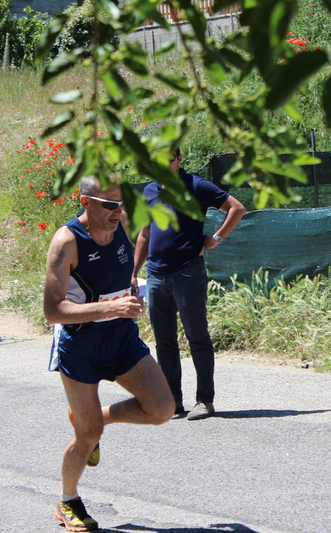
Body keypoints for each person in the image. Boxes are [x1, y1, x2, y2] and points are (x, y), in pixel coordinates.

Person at [44, 176, 175, 532]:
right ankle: (67, 500)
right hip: (81, 346)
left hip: (121, 339)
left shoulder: (125, 224)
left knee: (163, 409)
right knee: (88, 436)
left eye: (123, 204)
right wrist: (109, 309)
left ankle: (97, 416)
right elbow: (53, 310)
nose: (119, 212)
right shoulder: (66, 242)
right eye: (110, 205)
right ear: (85, 202)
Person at [132, 148, 245, 420]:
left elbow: (236, 208)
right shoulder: (149, 191)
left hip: (187, 273)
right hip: (157, 275)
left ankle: (204, 401)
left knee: (197, 338)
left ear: (179, 159)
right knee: (164, 341)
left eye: (168, 159)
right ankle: (172, 402)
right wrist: (133, 272)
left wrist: (215, 239)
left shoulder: (195, 185)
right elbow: (144, 234)